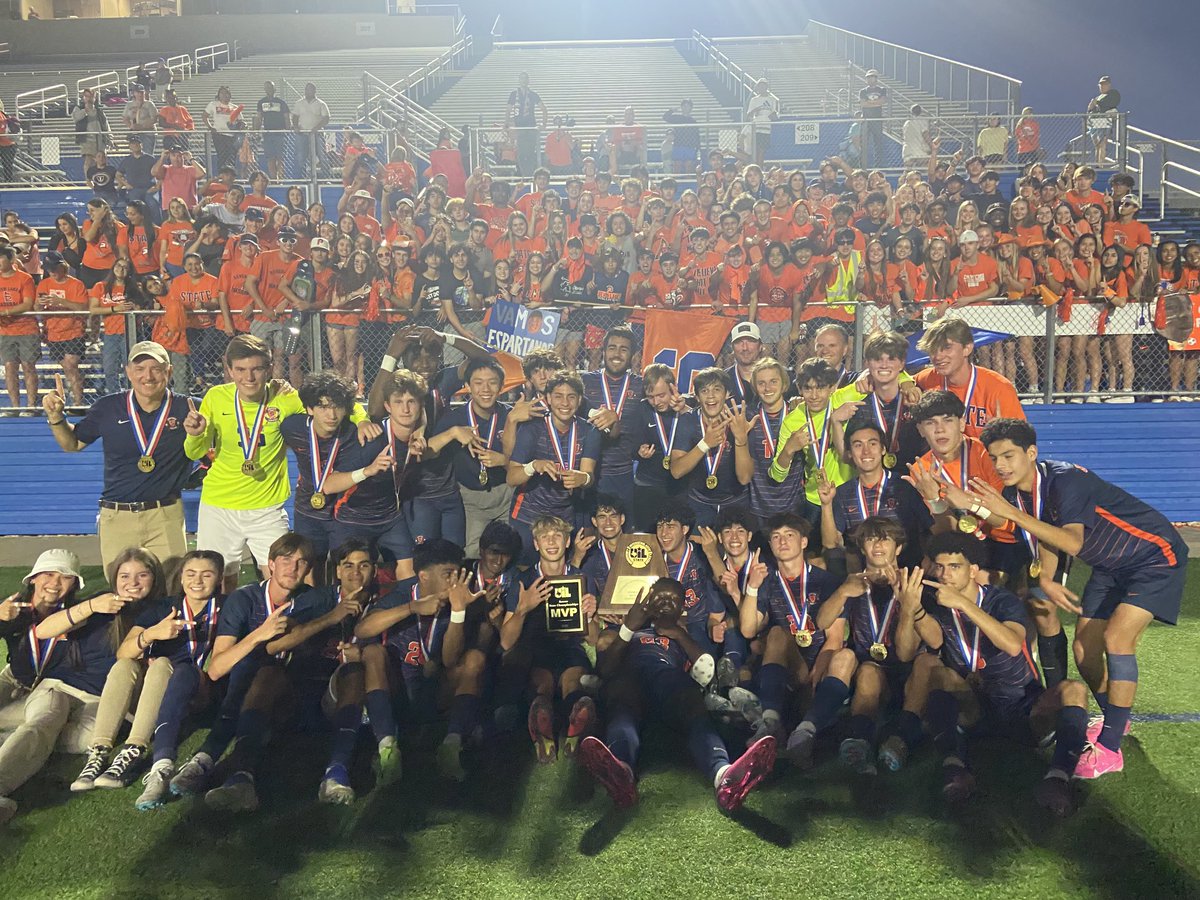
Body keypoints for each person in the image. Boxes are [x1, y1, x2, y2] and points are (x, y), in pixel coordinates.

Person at [970, 419, 1188, 779]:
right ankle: (1117, 720)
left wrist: (1011, 515)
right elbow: (1048, 538)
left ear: (1032, 453)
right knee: (1085, 652)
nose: (1001, 465)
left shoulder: (1066, 480)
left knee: (1117, 638)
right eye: (995, 458)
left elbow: (1072, 541)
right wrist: (1049, 579)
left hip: (1153, 556)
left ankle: (1110, 747)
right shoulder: (1018, 494)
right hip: (1110, 567)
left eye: (1008, 455)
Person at [888, 532, 1092, 815]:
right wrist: (911, 611)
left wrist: (964, 604)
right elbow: (908, 653)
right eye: (940, 566)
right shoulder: (937, 603)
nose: (945, 575)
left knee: (1074, 690)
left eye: (955, 567)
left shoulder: (1001, 600)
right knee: (937, 672)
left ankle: (1057, 780)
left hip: (1022, 705)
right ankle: (955, 768)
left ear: (973, 571)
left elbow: (1010, 644)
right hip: (975, 707)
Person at [182, 335, 372, 592]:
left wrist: (361, 420)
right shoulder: (216, 397)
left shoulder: (286, 398)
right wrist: (194, 435)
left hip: (267, 510)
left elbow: (335, 401)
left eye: (256, 369)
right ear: (229, 370)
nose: (248, 378)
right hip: (218, 507)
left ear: (270, 368)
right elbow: (197, 451)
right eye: (240, 370)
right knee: (220, 582)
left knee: (285, 579)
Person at [577, 577, 777, 812]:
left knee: (689, 697)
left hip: (668, 680)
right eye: (659, 597)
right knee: (622, 692)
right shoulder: (625, 626)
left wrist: (678, 634)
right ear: (649, 599)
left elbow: (707, 669)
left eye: (672, 600)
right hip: (630, 680)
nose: (664, 603)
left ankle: (723, 776)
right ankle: (621, 771)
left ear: (682, 608)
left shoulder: (684, 634)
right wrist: (629, 627)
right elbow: (605, 669)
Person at [0, 548, 155, 826]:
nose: (132, 582)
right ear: (114, 578)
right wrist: (92, 607)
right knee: (46, 720)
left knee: (81, 740)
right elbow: (44, 631)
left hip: (100, 700)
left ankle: (13, 740)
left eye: (142, 575)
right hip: (59, 686)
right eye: (125, 575)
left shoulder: (163, 612)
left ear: (154, 579)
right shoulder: (100, 603)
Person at [44, 340, 195, 573]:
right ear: (127, 372)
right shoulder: (108, 407)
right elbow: (73, 444)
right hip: (117, 516)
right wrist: (56, 418)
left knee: (172, 588)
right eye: (140, 369)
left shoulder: (189, 408)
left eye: (156, 368)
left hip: (165, 514)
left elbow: (216, 450)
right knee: (122, 591)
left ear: (169, 371)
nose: (148, 376)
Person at [732, 513, 841, 741]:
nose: (782, 541)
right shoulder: (767, 581)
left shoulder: (826, 581)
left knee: (845, 657)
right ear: (770, 545)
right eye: (776, 536)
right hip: (788, 663)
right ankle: (770, 721)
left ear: (803, 542)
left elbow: (835, 639)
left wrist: (815, 676)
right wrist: (752, 587)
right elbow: (748, 630)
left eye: (789, 535)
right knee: (777, 633)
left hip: (818, 664)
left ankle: (797, 727)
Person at [500, 515, 598, 763]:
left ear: (567, 543)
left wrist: (591, 615)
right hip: (536, 648)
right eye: (545, 537)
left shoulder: (582, 579)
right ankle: (542, 722)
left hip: (571, 645)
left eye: (557, 536)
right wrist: (523, 608)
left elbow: (594, 639)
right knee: (542, 681)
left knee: (573, 681)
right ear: (536, 544)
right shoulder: (523, 582)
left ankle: (576, 730)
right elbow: (505, 641)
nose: (551, 542)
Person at [506, 369, 602, 562]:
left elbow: (588, 475)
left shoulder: (589, 430)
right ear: (548, 398)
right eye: (558, 396)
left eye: (571, 397)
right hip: (528, 516)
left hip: (564, 517)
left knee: (561, 573)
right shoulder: (532, 428)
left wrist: (583, 478)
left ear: (580, 400)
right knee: (526, 570)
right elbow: (511, 477)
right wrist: (533, 466)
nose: (565, 403)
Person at [428, 356, 512, 558]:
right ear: (467, 386)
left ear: (501, 386)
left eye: (492, 383)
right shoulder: (454, 419)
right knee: (472, 553)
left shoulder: (511, 417)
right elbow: (427, 452)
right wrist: (452, 433)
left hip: (506, 494)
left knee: (512, 548)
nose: (486, 389)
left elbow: (527, 461)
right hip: (471, 499)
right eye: (478, 383)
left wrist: (504, 461)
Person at [669, 367, 753, 528]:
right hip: (699, 503)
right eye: (705, 390)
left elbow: (745, 478)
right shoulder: (688, 421)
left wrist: (740, 439)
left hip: (735, 502)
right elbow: (676, 471)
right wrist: (705, 444)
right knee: (699, 551)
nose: (711, 396)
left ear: (728, 393)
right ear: (697, 396)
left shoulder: (740, 419)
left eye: (717, 389)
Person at [914, 317, 1023, 438]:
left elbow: (1020, 442)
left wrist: (998, 436)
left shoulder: (999, 388)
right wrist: (906, 383)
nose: (938, 356)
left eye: (947, 347)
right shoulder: (930, 378)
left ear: (967, 349)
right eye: (933, 349)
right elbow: (900, 377)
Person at [580, 325, 644, 497]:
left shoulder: (641, 385)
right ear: (603, 351)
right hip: (590, 470)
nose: (617, 354)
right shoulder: (584, 381)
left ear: (632, 355)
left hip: (625, 471)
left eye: (624, 349)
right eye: (612, 348)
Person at [0, 245, 38, 413]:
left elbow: (28, 303)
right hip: (5, 331)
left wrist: (5, 312)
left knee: (28, 366)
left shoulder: (25, 278)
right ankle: (15, 406)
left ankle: (31, 405)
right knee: (9, 368)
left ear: (10, 259)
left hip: (26, 328)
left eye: (1, 258)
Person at [506, 72, 547, 177]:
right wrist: (506, 124)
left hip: (531, 128)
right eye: (522, 78)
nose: (523, 81)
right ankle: (525, 175)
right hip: (519, 128)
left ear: (528, 81)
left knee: (530, 153)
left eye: (525, 78)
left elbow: (543, 109)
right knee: (521, 154)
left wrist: (544, 124)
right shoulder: (514, 94)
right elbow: (508, 110)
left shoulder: (533, 94)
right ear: (519, 80)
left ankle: (532, 175)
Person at [254, 81, 291, 182]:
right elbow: (259, 117)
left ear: (274, 89)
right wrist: (256, 130)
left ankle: (281, 179)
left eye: (270, 87)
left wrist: (288, 130)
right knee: (270, 157)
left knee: (281, 157)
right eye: (267, 87)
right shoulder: (261, 102)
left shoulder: (281, 102)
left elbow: (287, 117)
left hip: (280, 133)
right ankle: (274, 179)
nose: (269, 89)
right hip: (267, 133)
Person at [203, 86, 244, 173]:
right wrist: (210, 127)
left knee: (231, 156)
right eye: (222, 93)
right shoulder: (213, 104)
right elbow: (205, 116)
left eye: (227, 93)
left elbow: (241, 121)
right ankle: (221, 175)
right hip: (219, 134)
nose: (225, 95)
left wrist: (239, 125)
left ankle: (231, 175)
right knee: (222, 155)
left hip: (231, 135)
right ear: (219, 95)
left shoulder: (234, 107)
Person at [1086, 76, 1121, 164]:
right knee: (1097, 145)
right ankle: (1098, 163)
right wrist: (1091, 107)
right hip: (1094, 123)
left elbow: (1111, 103)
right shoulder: (1098, 97)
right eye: (1101, 84)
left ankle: (1100, 164)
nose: (1102, 86)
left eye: (1105, 84)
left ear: (1109, 85)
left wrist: (1095, 103)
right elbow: (1090, 110)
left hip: (1104, 122)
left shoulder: (1113, 93)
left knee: (1102, 143)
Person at [745, 79, 779, 167]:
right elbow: (748, 115)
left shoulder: (772, 99)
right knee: (754, 150)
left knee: (762, 150)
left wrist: (773, 115)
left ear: (766, 87)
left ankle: (759, 168)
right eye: (760, 85)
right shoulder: (754, 100)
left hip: (766, 128)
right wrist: (756, 110)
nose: (761, 87)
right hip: (756, 127)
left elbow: (774, 114)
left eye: (763, 85)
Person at [858, 70, 888, 168]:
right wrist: (876, 103)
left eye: (872, 77)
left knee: (878, 143)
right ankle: (862, 166)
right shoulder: (863, 91)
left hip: (877, 119)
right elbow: (863, 104)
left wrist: (869, 103)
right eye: (868, 77)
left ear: (876, 78)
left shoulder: (882, 89)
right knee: (863, 144)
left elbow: (883, 101)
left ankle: (878, 166)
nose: (869, 79)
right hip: (866, 120)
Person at [122, 85, 158, 156]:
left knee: (148, 155)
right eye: (138, 92)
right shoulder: (129, 105)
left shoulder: (149, 104)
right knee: (136, 154)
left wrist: (142, 127)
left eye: (142, 92)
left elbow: (154, 119)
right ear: (134, 93)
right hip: (135, 134)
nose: (140, 94)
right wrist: (131, 126)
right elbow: (125, 118)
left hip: (148, 133)